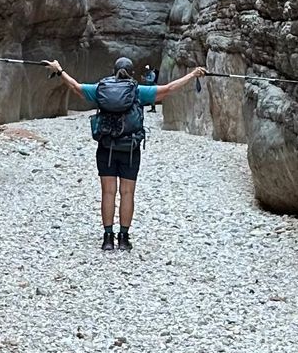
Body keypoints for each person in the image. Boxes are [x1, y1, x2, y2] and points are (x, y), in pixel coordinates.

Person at [45, 51, 206, 251]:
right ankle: (123, 238)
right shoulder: (138, 91)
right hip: (130, 149)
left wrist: (59, 71)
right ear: (131, 73)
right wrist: (192, 75)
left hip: (106, 148)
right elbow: (168, 89)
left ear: (114, 72)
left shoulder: (101, 89)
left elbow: (76, 87)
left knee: (108, 192)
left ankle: (107, 239)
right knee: (127, 192)